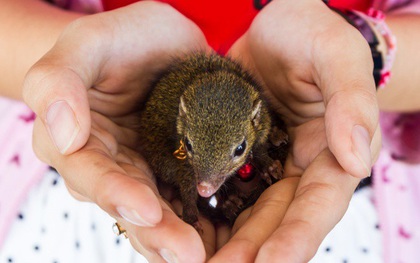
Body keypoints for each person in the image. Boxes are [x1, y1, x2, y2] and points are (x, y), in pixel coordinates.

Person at [0, 0, 419, 262]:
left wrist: (361, 52)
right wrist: (78, 64)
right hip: (76, 186)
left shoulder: (261, 124)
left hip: (353, 204)